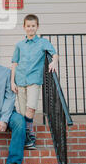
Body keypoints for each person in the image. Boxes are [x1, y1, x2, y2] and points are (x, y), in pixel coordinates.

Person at [11, 14, 58, 150]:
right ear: (24, 27)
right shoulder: (19, 45)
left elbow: (54, 53)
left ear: (37, 27)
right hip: (20, 80)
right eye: (28, 26)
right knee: (22, 110)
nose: (30, 28)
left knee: (31, 108)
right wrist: (12, 82)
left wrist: (54, 61)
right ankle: (28, 137)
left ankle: (29, 135)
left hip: (34, 80)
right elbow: (14, 63)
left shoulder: (43, 42)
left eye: (33, 26)